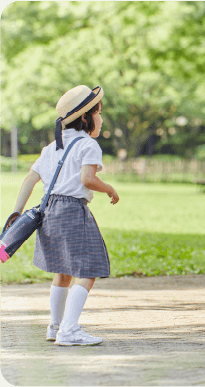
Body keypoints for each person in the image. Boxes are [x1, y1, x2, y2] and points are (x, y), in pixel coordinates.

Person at [7, 85, 119, 346]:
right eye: (99, 112)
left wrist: (16, 211)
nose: (101, 118)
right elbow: (88, 179)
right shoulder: (88, 145)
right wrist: (109, 188)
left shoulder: (51, 147)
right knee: (88, 269)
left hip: (48, 211)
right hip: (71, 210)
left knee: (62, 270)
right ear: (85, 117)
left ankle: (55, 325)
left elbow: (30, 179)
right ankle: (69, 330)